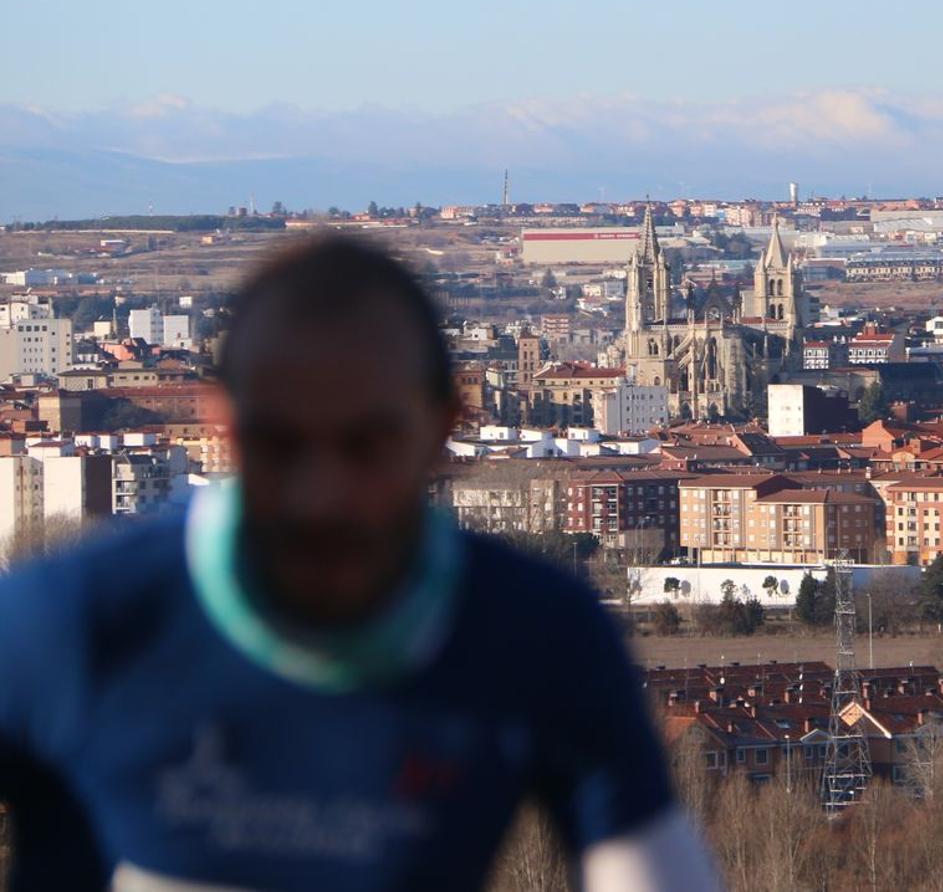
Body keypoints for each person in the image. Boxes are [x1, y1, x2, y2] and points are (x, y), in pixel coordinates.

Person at [0, 237, 717, 891]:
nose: (322, 495)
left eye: (366, 444)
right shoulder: (68, 624)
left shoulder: (541, 637)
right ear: (222, 426)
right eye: (280, 444)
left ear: (444, 430)